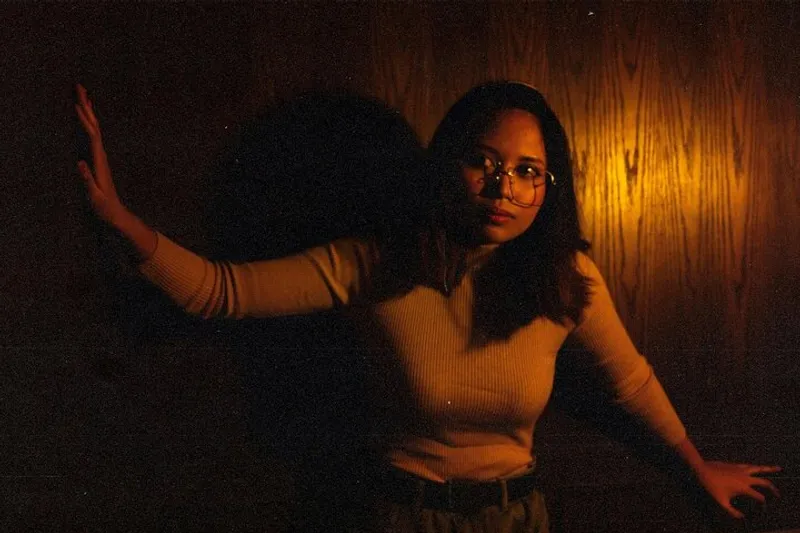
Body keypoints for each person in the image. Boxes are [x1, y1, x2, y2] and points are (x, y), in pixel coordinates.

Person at [75, 81, 780, 532]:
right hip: (403, 517)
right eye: (484, 162)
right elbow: (220, 290)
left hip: (517, 518)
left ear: (549, 188)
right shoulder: (375, 263)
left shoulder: (564, 280)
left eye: (527, 171)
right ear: (449, 163)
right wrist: (119, 218)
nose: (503, 188)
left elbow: (631, 381)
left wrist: (697, 466)